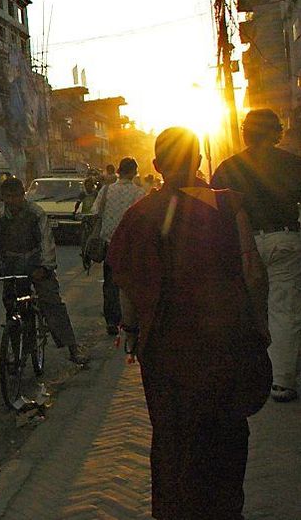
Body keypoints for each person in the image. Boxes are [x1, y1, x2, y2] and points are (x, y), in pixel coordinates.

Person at [108, 127, 270, 520]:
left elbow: (126, 280)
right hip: (225, 342)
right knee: (227, 433)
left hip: (166, 351)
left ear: (157, 165)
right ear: (198, 161)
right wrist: (260, 327)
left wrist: (131, 331)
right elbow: (253, 272)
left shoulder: (139, 215)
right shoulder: (226, 205)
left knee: (173, 438)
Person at [212, 108, 301, 403]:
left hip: (244, 244)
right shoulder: (292, 164)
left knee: (248, 308)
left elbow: (215, 213)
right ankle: (282, 381)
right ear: (276, 131)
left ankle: (246, 371)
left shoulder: (228, 168)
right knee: (283, 309)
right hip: (284, 241)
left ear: (246, 132)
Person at [0, 177, 89, 364]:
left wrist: (45, 267)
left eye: (15, 196)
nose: (12, 201)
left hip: (36, 263)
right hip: (12, 264)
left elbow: (47, 242)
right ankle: (17, 353)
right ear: (3, 197)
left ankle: (73, 348)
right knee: (11, 305)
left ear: (23, 195)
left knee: (52, 304)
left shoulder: (36, 214)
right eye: (8, 196)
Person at [92, 157, 146, 335]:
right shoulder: (138, 193)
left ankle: (112, 321)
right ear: (133, 172)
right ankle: (130, 319)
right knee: (131, 282)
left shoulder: (106, 191)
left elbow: (94, 211)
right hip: (130, 246)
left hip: (109, 244)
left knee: (110, 283)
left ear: (119, 171)